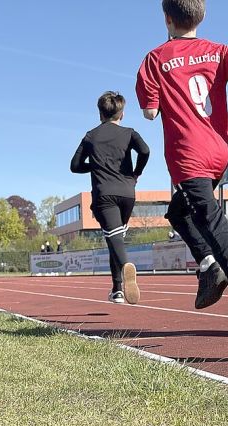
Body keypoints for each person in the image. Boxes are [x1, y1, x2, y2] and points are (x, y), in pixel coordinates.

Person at [136, 0, 228, 358]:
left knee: (212, 220)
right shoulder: (217, 51)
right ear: (201, 16)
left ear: (167, 18)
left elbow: (150, 113)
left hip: (188, 153)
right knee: (179, 213)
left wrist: (164, 98)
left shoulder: (155, 59)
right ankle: (209, 266)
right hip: (217, 152)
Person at [71, 91, 150, 304]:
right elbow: (145, 151)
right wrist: (136, 173)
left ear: (100, 114)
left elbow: (75, 166)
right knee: (114, 238)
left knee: (114, 237)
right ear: (121, 114)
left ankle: (125, 270)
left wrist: (95, 165)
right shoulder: (130, 133)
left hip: (104, 193)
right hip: (127, 192)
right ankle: (117, 289)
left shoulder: (91, 136)